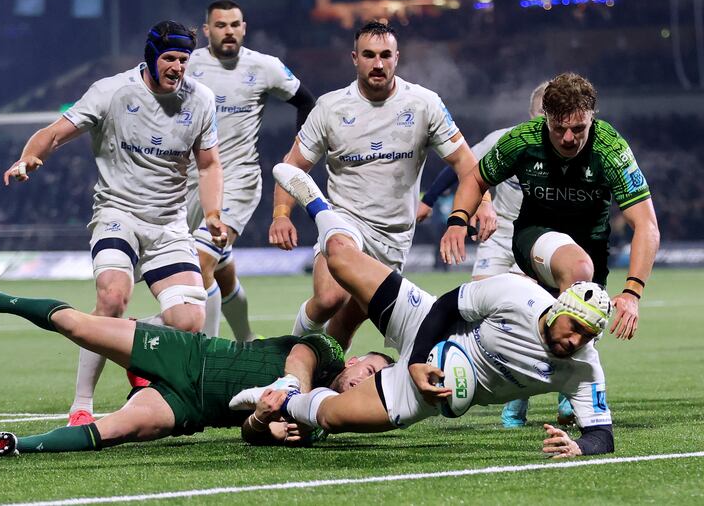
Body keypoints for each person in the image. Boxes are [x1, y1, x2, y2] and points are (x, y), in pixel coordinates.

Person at [251, 163, 616, 458]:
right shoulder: (516, 292)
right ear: (559, 308)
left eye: (587, 336)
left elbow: (602, 434)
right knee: (342, 260)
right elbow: (447, 305)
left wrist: (578, 446)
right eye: (574, 326)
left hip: (428, 393)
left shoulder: (584, 366)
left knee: (330, 417)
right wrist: (416, 361)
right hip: (426, 322)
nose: (575, 339)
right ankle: (318, 205)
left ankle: (288, 399)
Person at [2, 20, 229, 426]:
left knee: (188, 321)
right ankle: (82, 406)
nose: (178, 68)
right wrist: (29, 158)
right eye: (170, 59)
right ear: (151, 56)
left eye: (184, 60)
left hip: (168, 225)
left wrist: (212, 213)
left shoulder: (202, 100)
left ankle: (131, 336)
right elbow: (54, 133)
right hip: (117, 213)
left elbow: (209, 163)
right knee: (111, 298)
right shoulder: (112, 91)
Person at [0, 276, 392, 456]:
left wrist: (262, 423)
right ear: (354, 360)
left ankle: (19, 444)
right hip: (188, 352)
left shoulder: (320, 420)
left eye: (370, 384)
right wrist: (293, 388)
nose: (360, 381)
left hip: (189, 407)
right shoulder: (329, 352)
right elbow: (301, 356)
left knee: (115, 431)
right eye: (368, 371)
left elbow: (252, 434)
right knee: (80, 327)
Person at [268, 21, 495, 349]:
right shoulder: (330, 108)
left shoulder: (423, 104)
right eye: (369, 55)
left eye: (385, 55)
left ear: (396, 58)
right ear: (354, 58)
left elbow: (466, 163)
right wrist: (280, 214)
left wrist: (484, 204)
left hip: (393, 238)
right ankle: (287, 354)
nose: (378, 63)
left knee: (346, 323)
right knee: (330, 298)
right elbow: (292, 167)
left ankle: (322, 376)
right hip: (344, 224)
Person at [440, 72, 660, 343]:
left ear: (592, 117)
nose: (568, 138)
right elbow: (475, 177)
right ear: (545, 118)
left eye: (578, 128)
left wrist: (631, 293)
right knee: (577, 271)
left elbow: (646, 224)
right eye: (559, 128)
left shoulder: (611, 149)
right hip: (535, 235)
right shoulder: (523, 140)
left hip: (591, 249)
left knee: (575, 343)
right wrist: (457, 221)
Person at [418, 82, 553, 427]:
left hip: (537, 238)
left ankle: (522, 405)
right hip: (497, 235)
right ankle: (489, 386)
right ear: (531, 113)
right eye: (541, 114)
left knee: (530, 316)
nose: (545, 123)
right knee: (477, 309)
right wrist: (428, 201)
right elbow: (461, 167)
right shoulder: (504, 140)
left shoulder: (562, 151)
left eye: (551, 116)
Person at [183, 0, 315, 339]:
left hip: (238, 182)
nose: (229, 31)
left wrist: (299, 150)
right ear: (206, 30)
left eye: (235, 24)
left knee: (200, 262)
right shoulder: (186, 65)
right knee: (221, 269)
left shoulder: (264, 66)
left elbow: (305, 100)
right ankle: (246, 340)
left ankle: (203, 359)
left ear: (244, 28)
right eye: (221, 25)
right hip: (189, 184)